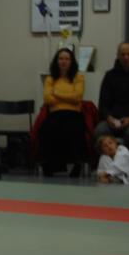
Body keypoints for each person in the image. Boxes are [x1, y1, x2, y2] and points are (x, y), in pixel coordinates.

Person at [38, 48, 86, 177]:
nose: (63, 61)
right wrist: (68, 97)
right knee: (47, 129)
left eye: (67, 59)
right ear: (57, 61)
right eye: (61, 58)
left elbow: (77, 97)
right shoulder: (50, 79)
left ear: (71, 61)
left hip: (74, 114)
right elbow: (48, 99)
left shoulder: (78, 77)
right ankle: (49, 164)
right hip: (55, 113)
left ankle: (77, 164)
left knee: (74, 128)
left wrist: (57, 93)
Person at [94, 42, 129, 151]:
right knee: (100, 131)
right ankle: (107, 160)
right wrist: (109, 118)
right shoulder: (110, 76)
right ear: (118, 56)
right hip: (112, 120)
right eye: (123, 54)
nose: (126, 57)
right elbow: (103, 104)